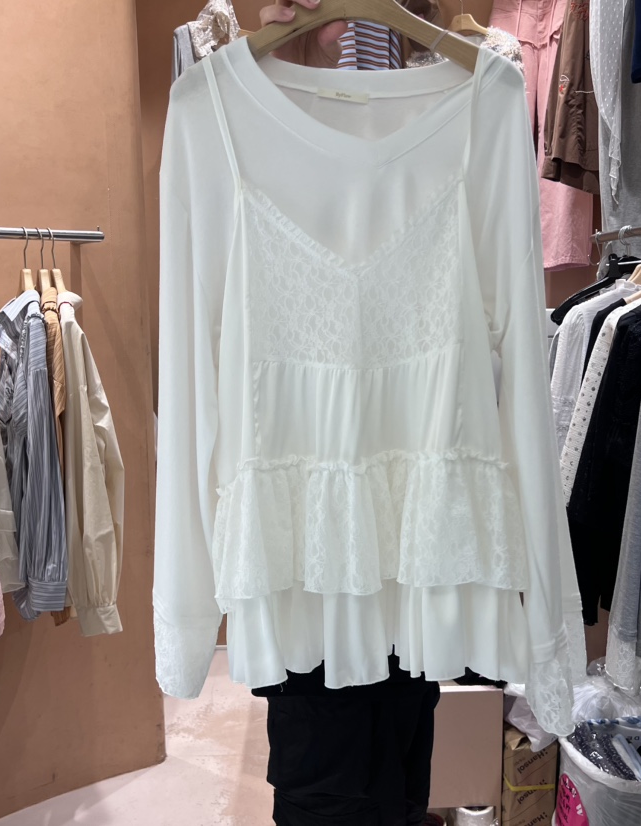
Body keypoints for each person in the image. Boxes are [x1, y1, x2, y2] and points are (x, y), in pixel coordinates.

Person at [252, 4, 442, 824]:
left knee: (399, 775)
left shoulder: (447, 101)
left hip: (405, 549)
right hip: (312, 566)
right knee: (328, 779)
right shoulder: (238, 112)